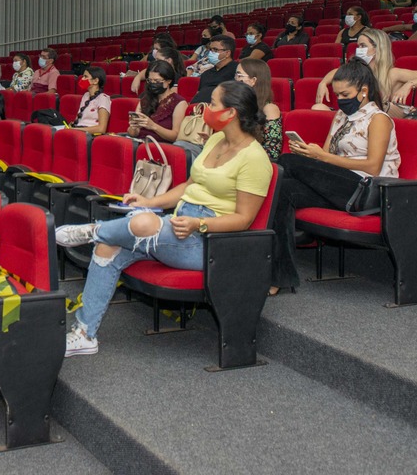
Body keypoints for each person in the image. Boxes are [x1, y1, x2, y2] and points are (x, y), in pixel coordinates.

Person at [55, 80, 273, 357]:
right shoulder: (216, 140)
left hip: (211, 243)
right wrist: (150, 201)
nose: (205, 109)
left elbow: (243, 219)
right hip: (181, 225)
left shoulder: (255, 159)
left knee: (143, 223)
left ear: (230, 113)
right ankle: (85, 334)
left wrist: (200, 224)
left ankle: (94, 230)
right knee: (108, 248)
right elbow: (188, 186)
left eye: (213, 104)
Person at [273, 60, 400, 293]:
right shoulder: (341, 116)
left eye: (345, 94)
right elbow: (328, 153)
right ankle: (281, 277)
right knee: (283, 190)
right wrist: (310, 153)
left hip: (368, 190)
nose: (341, 99)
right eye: (337, 94)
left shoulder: (378, 119)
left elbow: (373, 166)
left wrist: (320, 157)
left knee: (285, 162)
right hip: (339, 185)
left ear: (364, 90)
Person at [314, 28, 417, 115]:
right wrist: (323, 83)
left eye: (363, 46)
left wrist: (409, 84)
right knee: (318, 108)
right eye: (358, 46)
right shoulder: (357, 70)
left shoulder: (392, 73)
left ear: (378, 48)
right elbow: (336, 71)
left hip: (376, 120)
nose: (359, 50)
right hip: (354, 116)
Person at [128, 61, 187, 143]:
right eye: (150, 80)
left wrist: (153, 126)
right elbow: (133, 133)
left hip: (160, 146)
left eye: (157, 81)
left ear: (168, 81)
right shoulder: (145, 99)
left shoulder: (179, 102)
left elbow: (175, 136)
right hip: (140, 142)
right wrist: (133, 127)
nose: (153, 83)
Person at [234, 59, 282, 161]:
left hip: (253, 161)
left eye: (239, 76)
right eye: (236, 75)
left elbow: (272, 150)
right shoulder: (236, 105)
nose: (235, 79)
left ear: (253, 81)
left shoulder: (269, 108)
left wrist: (239, 155)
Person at [190, 35, 239, 104]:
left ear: (227, 53)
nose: (211, 53)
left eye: (215, 50)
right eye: (210, 49)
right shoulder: (206, 74)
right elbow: (198, 94)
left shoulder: (237, 71)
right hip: (199, 109)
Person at [71, 66, 112, 135]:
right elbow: (79, 119)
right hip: (78, 130)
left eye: (85, 76)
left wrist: (76, 130)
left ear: (95, 81)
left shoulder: (103, 98)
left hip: (89, 135)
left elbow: (101, 129)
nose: (82, 79)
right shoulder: (85, 96)